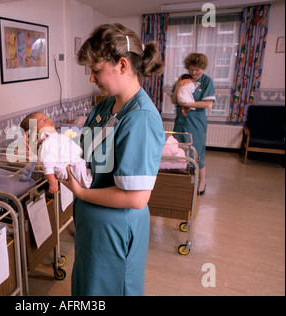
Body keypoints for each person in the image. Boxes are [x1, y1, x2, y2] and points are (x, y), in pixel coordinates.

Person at [59, 23, 165, 296]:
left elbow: (137, 198)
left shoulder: (139, 118)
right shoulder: (105, 106)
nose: (92, 79)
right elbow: (86, 152)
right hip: (92, 226)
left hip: (116, 229)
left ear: (121, 65)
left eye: (96, 71)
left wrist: (81, 191)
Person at [171, 53, 215, 195]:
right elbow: (173, 99)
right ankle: (181, 181)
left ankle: (201, 182)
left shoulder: (207, 81)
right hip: (181, 121)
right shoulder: (184, 79)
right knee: (179, 151)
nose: (193, 72)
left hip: (196, 122)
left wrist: (187, 104)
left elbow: (208, 104)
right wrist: (179, 85)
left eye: (197, 70)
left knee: (197, 152)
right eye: (191, 69)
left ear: (202, 68)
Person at [20, 112, 93, 194]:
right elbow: (47, 166)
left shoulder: (53, 136)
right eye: (43, 120)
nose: (48, 119)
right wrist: (53, 183)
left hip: (74, 161)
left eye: (46, 117)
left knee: (85, 170)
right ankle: (93, 184)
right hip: (68, 166)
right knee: (87, 180)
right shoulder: (46, 143)